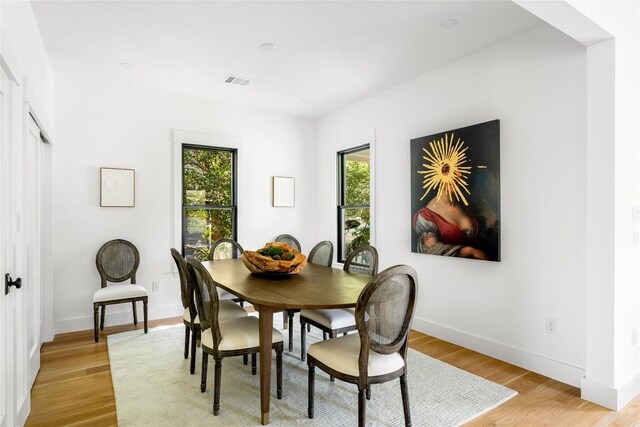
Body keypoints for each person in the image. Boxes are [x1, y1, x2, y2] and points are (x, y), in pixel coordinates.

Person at [413, 183, 487, 260]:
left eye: (458, 174)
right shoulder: (427, 215)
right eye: (446, 171)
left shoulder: (465, 205)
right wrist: (468, 251)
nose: (454, 178)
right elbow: (432, 250)